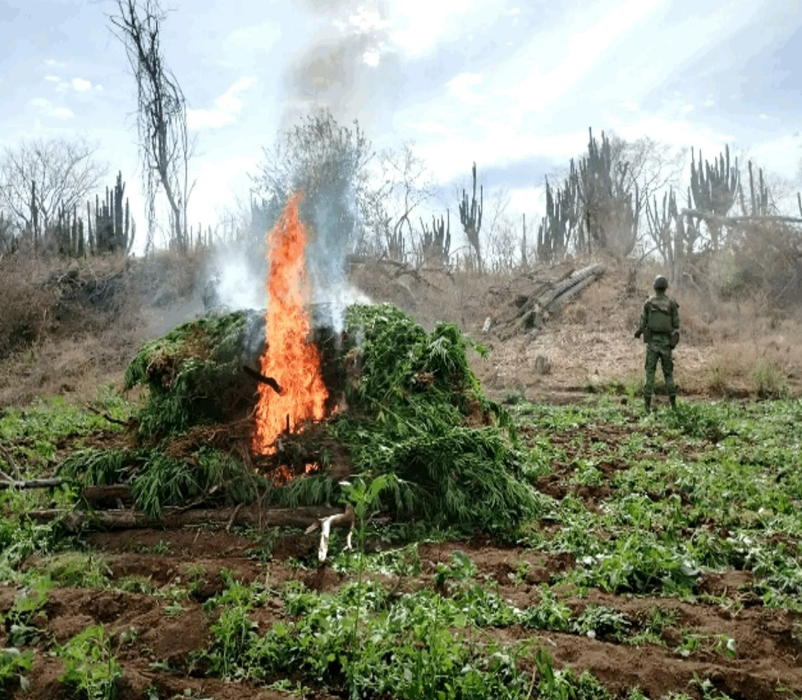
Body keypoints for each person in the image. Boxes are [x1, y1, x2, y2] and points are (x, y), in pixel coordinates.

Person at [634, 275, 680, 413]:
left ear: (654, 286)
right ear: (665, 287)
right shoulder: (671, 304)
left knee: (650, 374)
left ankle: (647, 407)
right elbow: (676, 324)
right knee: (668, 375)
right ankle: (673, 406)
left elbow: (642, 324)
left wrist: (638, 333)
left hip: (652, 344)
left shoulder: (648, 303)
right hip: (666, 345)